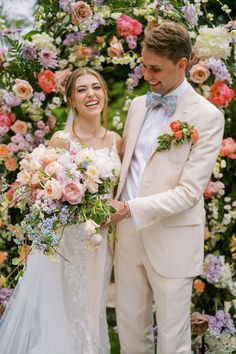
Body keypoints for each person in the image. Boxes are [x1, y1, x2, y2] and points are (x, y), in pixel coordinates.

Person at [110, 21, 224, 354]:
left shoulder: (207, 116)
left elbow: (190, 191)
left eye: (156, 68)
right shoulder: (137, 106)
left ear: (183, 64)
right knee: (130, 332)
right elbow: (129, 168)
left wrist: (131, 209)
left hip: (172, 237)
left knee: (174, 341)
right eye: (144, 66)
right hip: (127, 234)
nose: (147, 74)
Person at [0, 67, 121, 354]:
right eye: (81, 90)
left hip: (102, 243)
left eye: (96, 87)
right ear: (71, 100)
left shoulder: (116, 139)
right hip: (71, 241)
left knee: (94, 308)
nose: (91, 94)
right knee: (70, 313)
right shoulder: (61, 140)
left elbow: (119, 192)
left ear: (104, 92)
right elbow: (51, 195)